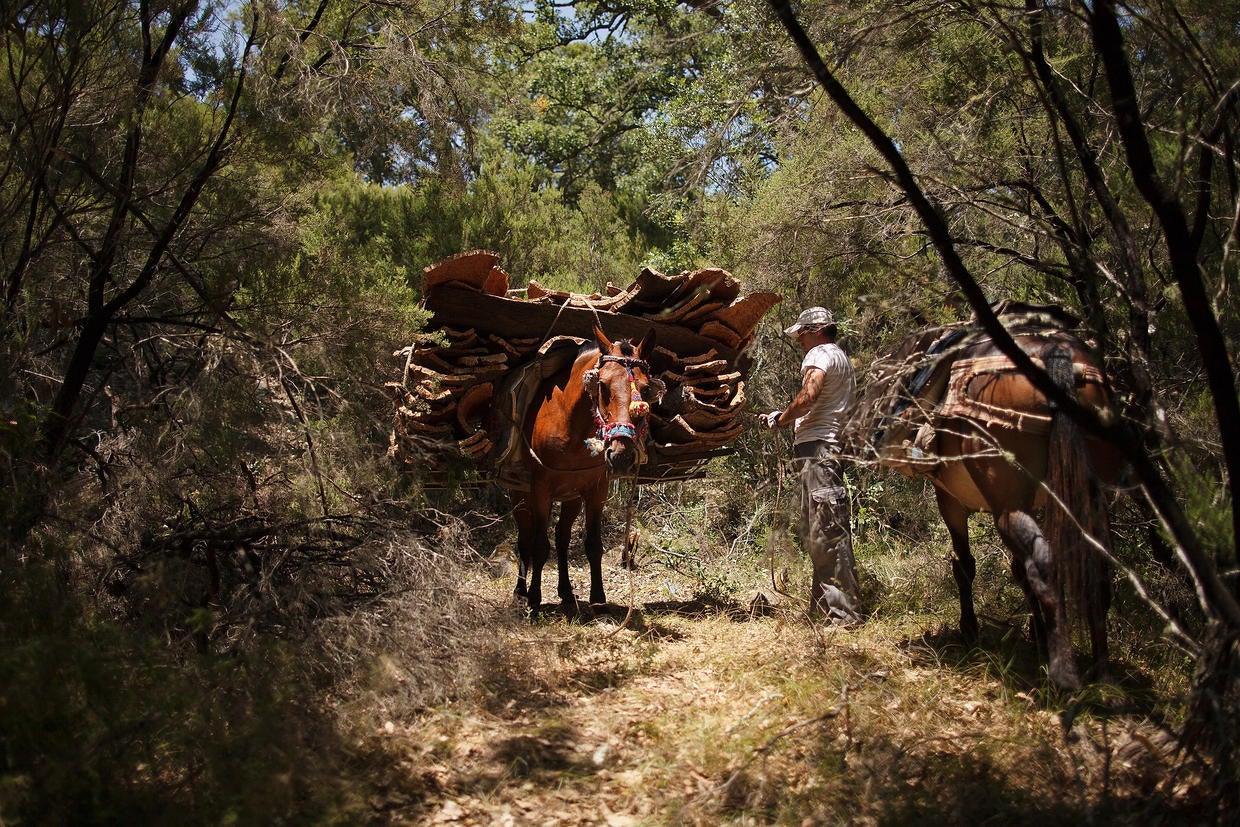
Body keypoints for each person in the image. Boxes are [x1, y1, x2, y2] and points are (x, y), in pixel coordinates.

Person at [759, 306, 862, 625]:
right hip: (825, 449)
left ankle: (843, 615)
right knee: (821, 529)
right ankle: (822, 610)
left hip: (819, 450)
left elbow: (808, 396)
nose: (800, 341)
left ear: (816, 331)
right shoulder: (841, 358)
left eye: (802, 334)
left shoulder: (819, 354)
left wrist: (782, 418)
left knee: (828, 529)